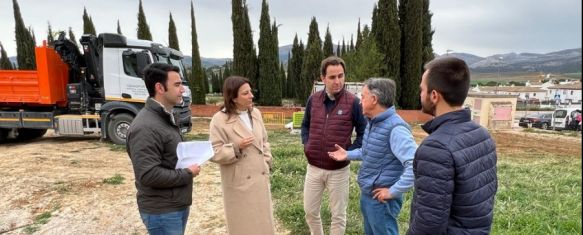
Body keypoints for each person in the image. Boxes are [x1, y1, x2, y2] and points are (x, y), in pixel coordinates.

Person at [407, 57, 498, 234]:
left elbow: (429, 223)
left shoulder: (436, 148)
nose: (420, 95)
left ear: (434, 96)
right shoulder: (483, 135)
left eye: (422, 90)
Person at [328, 78, 417, 235]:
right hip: (369, 195)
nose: (360, 101)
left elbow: (415, 164)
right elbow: (368, 151)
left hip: (382, 201)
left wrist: (393, 191)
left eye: (363, 96)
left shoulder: (396, 128)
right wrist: (347, 154)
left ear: (374, 99)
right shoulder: (373, 122)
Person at [127, 63, 201, 235]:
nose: (182, 89)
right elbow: (148, 174)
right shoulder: (145, 126)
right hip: (162, 211)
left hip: (174, 206)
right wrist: (187, 173)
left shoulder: (164, 117)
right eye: (177, 85)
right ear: (159, 87)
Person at [301, 56, 367, 235]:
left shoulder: (353, 102)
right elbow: (305, 125)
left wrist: (349, 152)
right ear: (323, 78)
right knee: (310, 211)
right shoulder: (313, 100)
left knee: (338, 215)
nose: (337, 81)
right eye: (332, 77)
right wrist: (307, 144)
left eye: (340, 76)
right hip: (313, 168)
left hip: (338, 170)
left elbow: (364, 133)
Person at [209, 76, 275, 235]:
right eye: (246, 93)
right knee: (243, 226)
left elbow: (264, 141)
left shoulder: (256, 113)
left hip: (259, 177)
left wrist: (266, 161)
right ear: (233, 98)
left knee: (262, 223)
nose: (251, 95)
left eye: (251, 91)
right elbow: (213, 152)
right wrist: (237, 148)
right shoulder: (219, 120)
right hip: (238, 183)